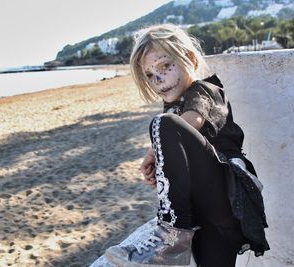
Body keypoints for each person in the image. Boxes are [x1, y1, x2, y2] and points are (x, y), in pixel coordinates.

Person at [105, 24, 269, 267]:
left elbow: (194, 120)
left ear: (189, 58)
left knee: (163, 124)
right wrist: (161, 169)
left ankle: (172, 235)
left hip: (228, 196)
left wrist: (153, 149)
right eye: (150, 74)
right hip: (206, 217)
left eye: (164, 66)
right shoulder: (173, 109)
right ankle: (177, 236)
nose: (158, 79)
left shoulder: (205, 90)